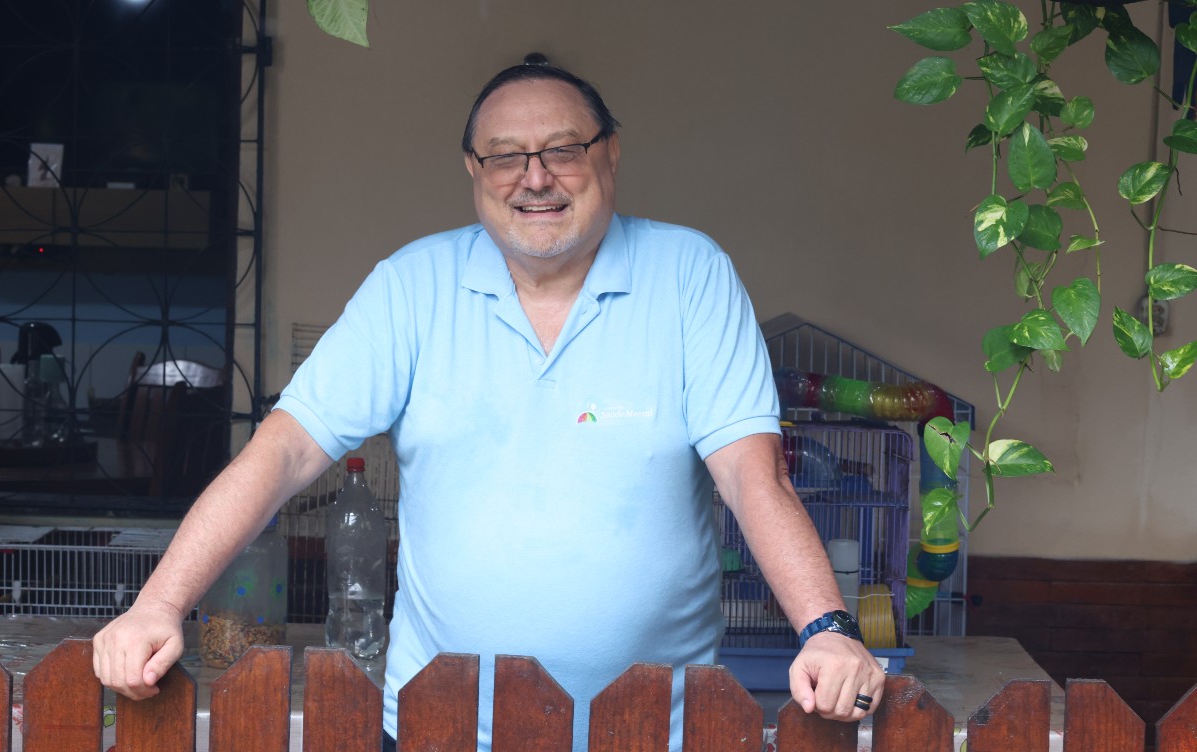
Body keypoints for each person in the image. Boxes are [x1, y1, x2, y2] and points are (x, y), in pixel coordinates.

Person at [92, 61, 885, 751]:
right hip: (441, 729)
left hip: (656, 732)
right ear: (473, 170)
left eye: (562, 150)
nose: (533, 177)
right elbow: (282, 454)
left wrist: (829, 628)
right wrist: (157, 607)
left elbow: (753, 480)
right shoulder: (412, 286)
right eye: (505, 156)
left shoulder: (690, 275)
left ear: (610, 153)